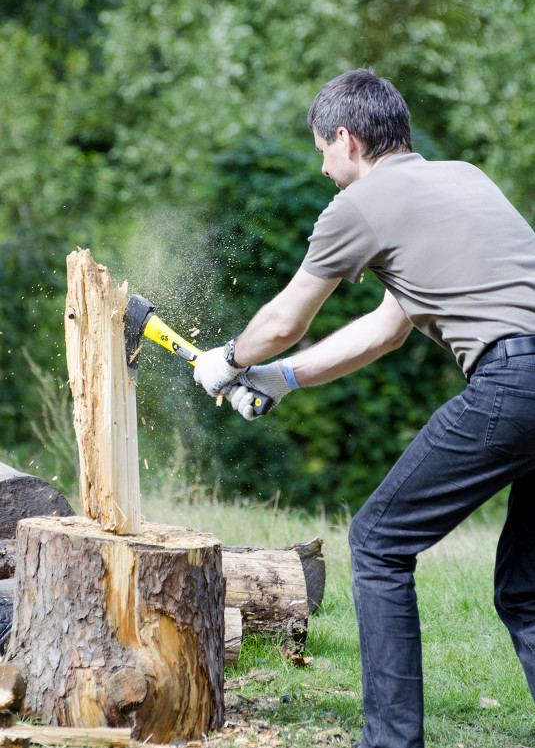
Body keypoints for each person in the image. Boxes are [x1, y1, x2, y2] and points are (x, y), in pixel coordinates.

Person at [193, 68, 535, 748]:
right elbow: (387, 326)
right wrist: (281, 378)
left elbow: (284, 318)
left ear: (346, 139)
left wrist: (228, 358)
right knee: (526, 591)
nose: (323, 169)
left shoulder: (361, 203)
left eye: (321, 151)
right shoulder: (462, 177)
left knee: (378, 542)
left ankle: (389, 743)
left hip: (515, 381)